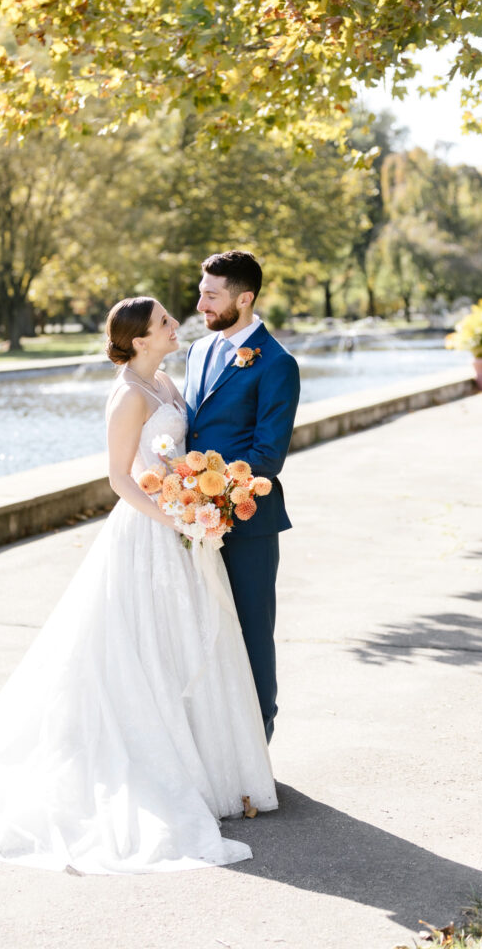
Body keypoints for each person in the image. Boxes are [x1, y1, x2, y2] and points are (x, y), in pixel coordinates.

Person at [0, 297, 277, 875]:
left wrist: (199, 504)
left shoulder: (167, 384)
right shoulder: (129, 393)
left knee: (184, 645)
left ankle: (204, 767)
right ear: (138, 339)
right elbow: (118, 478)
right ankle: (152, 768)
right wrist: (174, 518)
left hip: (182, 531)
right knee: (141, 651)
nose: (176, 325)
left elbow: (177, 457)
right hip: (148, 534)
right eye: (163, 323)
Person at [183, 251, 301, 743]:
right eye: (202, 292)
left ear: (244, 298)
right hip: (190, 519)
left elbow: (267, 455)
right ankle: (212, 741)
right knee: (201, 631)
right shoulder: (196, 350)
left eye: (212, 295)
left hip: (249, 522)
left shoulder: (277, 363)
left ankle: (257, 744)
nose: (200, 303)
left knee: (252, 630)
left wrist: (215, 495)